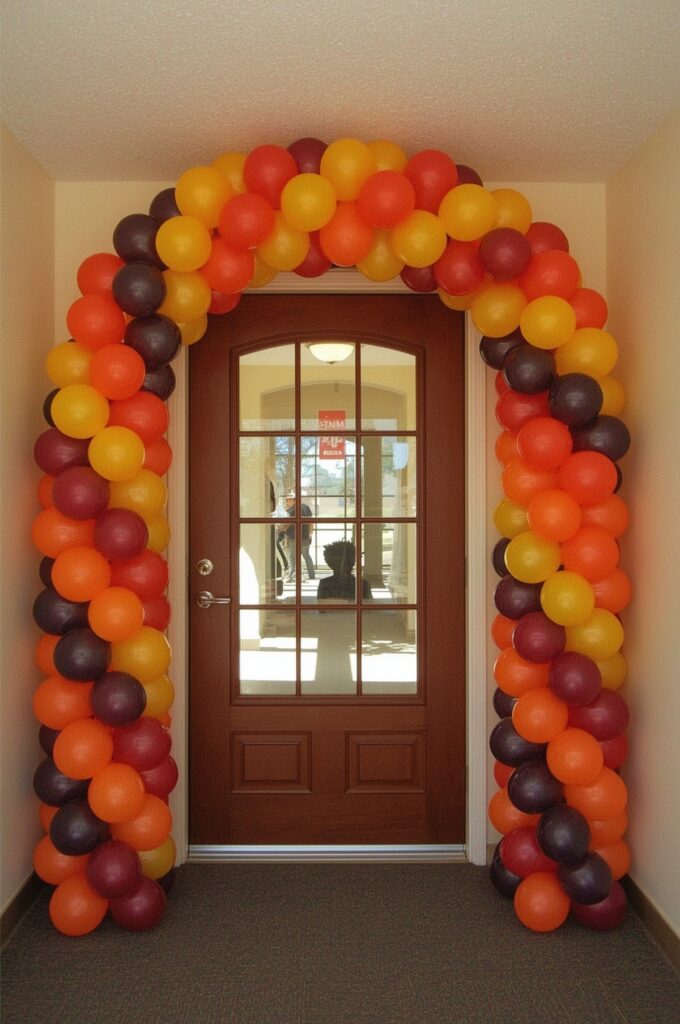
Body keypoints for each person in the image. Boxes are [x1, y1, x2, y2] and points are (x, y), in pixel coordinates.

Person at [278, 491, 315, 582]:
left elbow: (288, 523)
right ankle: (311, 574)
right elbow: (311, 521)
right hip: (305, 536)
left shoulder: (292, 510)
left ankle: (292, 576)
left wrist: (280, 528)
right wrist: (310, 533)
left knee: (292, 557)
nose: (287, 502)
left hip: (294, 537)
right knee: (306, 555)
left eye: (288, 500)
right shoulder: (306, 507)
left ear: (294, 500)